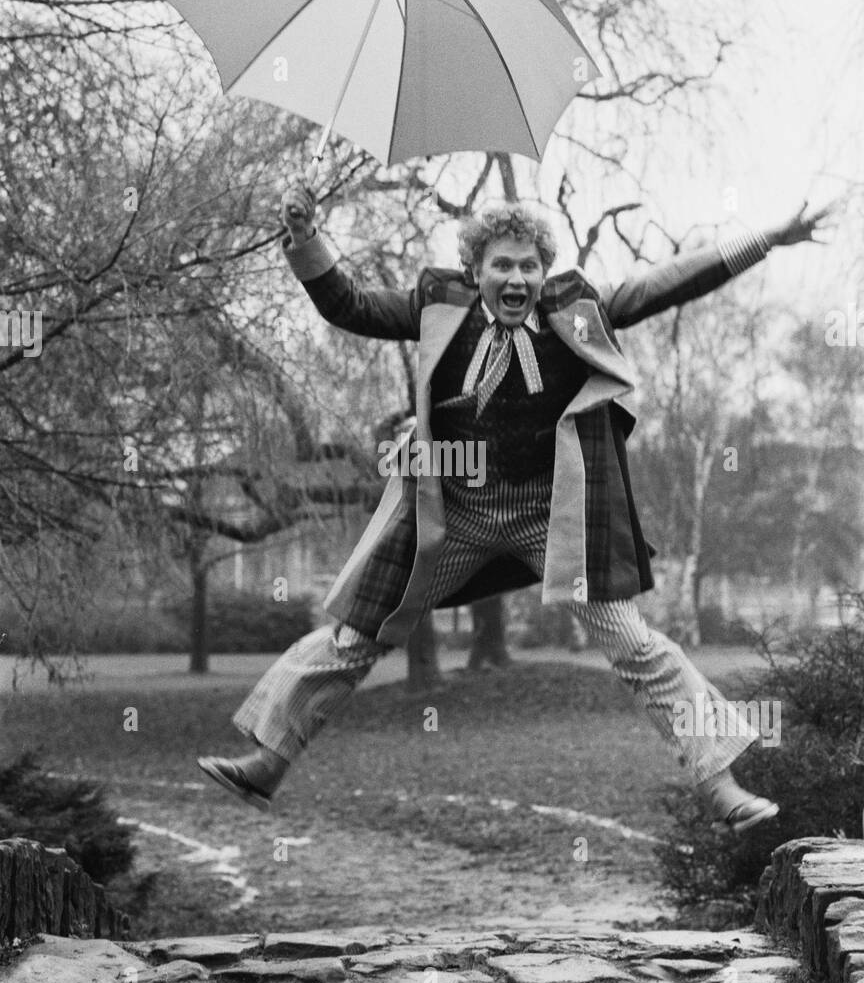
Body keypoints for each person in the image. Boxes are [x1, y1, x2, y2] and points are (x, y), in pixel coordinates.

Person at [198, 183, 833, 832]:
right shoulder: (437, 305)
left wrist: (767, 239)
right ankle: (267, 761)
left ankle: (720, 784)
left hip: (551, 518)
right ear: (475, 272)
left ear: (542, 274)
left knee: (637, 645)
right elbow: (350, 307)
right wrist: (307, 240)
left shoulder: (578, 311)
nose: (517, 277)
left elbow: (666, 283)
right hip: (456, 517)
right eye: (502, 264)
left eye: (529, 266)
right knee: (354, 634)